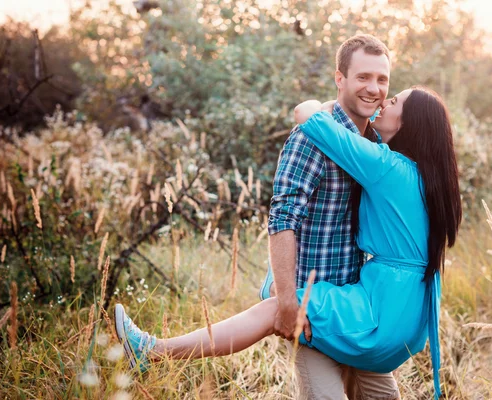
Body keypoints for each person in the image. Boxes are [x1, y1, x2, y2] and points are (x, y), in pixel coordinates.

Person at [114, 85, 462, 400]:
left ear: (410, 123)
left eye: (395, 101)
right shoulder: (430, 178)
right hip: (409, 320)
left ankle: (154, 350)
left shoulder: (386, 166)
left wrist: (339, 101)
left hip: (380, 314)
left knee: (279, 305)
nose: (385, 102)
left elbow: (306, 113)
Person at [261, 33, 400, 400]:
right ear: (340, 79)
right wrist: (289, 300)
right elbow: (282, 217)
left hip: (354, 310)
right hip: (312, 307)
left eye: (382, 79)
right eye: (363, 77)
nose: (374, 88)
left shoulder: (377, 145)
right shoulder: (311, 137)